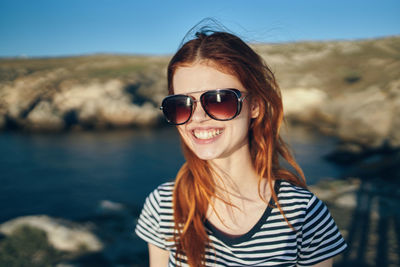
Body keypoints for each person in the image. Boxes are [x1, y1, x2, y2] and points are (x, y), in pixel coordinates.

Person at [135, 28, 347, 267]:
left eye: (219, 100)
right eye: (181, 105)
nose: (197, 118)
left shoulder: (303, 213)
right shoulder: (164, 204)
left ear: (255, 106)